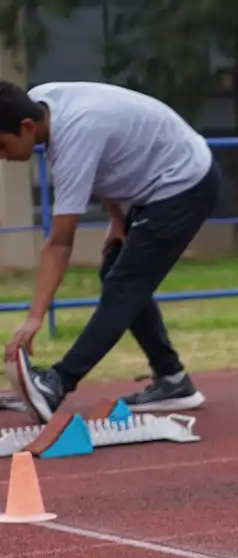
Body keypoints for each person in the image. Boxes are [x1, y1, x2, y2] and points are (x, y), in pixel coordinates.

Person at [0, 81, 218, 423]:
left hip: (185, 182)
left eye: (2, 145)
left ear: (27, 127)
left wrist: (34, 318)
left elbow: (59, 244)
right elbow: (111, 151)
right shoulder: (41, 101)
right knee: (118, 271)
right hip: (161, 176)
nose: (2, 156)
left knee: (123, 285)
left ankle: (58, 381)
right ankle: (173, 380)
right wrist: (116, 216)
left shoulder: (72, 137)